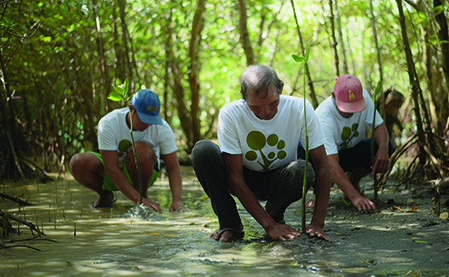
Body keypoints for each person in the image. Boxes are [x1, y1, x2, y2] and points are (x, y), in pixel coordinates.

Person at [191, 65, 332, 242]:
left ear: (280, 88)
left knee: (303, 169)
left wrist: (317, 223)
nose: (266, 112)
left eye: (272, 103)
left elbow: (322, 166)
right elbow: (234, 176)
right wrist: (269, 226)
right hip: (243, 180)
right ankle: (230, 224)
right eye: (256, 107)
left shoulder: (300, 108)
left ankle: (275, 214)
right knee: (202, 151)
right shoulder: (230, 113)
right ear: (243, 95)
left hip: (280, 179)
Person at [70, 89, 185, 213]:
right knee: (77, 162)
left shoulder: (162, 128)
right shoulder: (108, 123)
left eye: (152, 120)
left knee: (141, 150)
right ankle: (105, 196)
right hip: (114, 173)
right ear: (131, 109)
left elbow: (173, 166)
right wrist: (137, 199)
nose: (148, 124)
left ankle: (143, 195)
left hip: (144, 173)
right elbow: (111, 168)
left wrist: (177, 200)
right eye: (144, 119)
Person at [301, 74, 393, 213]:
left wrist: (384, 149)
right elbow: (331, 163)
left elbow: (379, 126)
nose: (350, 112)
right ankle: (318, 190)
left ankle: (353, 180)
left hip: (350, 152)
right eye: (346, 107)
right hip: (323, 159)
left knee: (384, 146)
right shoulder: (323, 117)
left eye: (354, 106)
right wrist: (355, 198)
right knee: (308, 152)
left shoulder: (365, 97)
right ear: (333, 96)